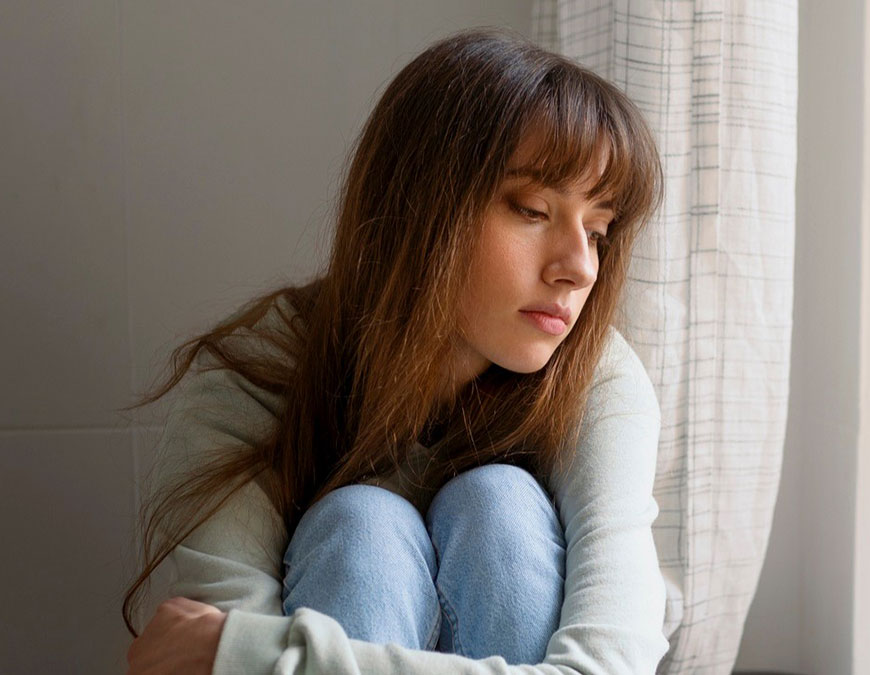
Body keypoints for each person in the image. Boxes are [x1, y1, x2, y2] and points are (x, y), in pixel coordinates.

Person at [120, 25, 668, 675]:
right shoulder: (254, 376)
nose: (579, 267)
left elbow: (610, 665)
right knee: (362, 522)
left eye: (599, 230)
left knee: (500, 503)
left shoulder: (597, 377)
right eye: (531, 210)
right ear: (420, 206)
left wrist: (254, 651)